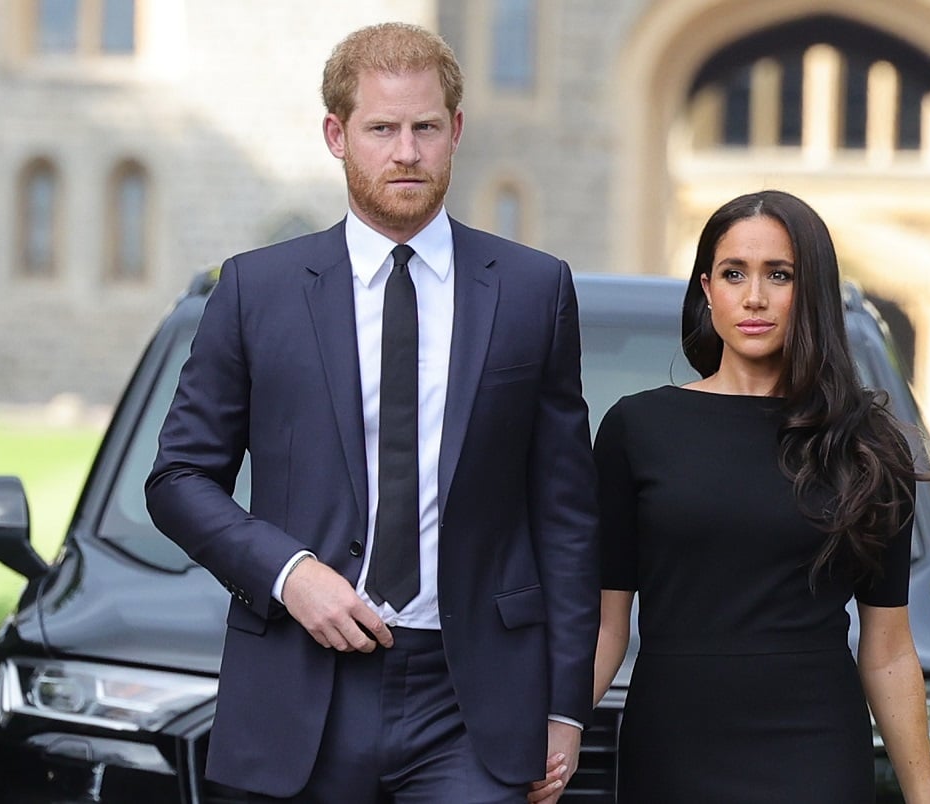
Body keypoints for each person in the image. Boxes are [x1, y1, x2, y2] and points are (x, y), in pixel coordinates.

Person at [145, 22, 599, 804]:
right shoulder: (256, 290)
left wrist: (564, 704)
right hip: (299, 682)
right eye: (382, 129)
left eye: (426, 127)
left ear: (456, 131)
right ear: (337, 134)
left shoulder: (533, 290)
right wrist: (289, 575)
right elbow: (179, 478)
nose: (407, 152)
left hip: (472, 701)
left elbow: (564, 515)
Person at [588, 190, 930, 803]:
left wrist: (922, 798)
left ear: (813, 292)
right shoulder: (636, 429)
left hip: (815, 749)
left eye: (779, 275)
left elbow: (888, 648)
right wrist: (551, 727)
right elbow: (604, 625)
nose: (754, 297)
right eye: (734, 274)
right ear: (706, 289)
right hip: (673, 747)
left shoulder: (866, 446)